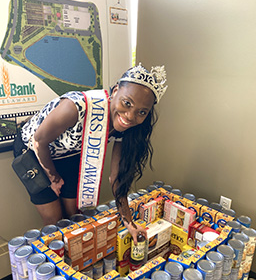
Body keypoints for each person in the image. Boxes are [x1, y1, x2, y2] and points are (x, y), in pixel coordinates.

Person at [13, 63, 167, 243]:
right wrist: (53, 178)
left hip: (68, 153)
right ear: (116, 90)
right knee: (53, 219)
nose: (131, 116)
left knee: (74, 216)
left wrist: (129, 222)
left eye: (142, 112)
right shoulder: (75, 107)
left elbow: (117, 178)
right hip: (33, 151)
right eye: (127, 103)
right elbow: (39, 141)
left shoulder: (126, 128)